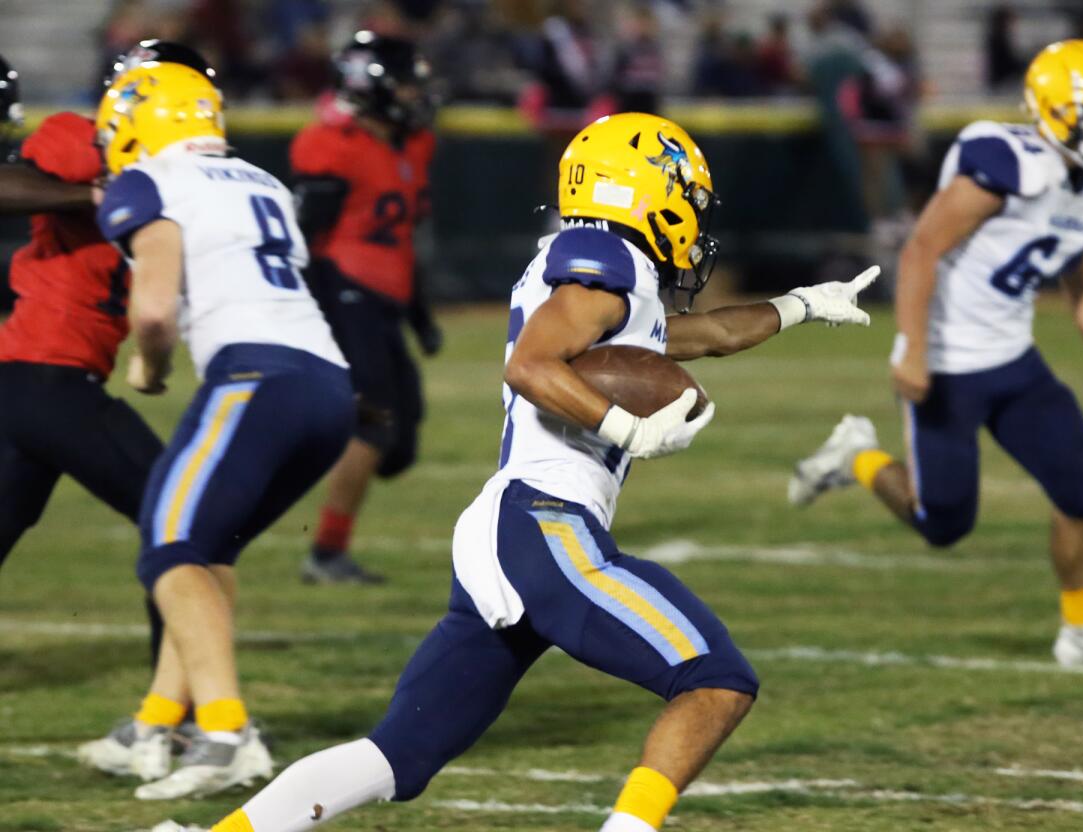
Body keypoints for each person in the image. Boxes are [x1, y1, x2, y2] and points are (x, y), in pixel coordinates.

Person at [149, 111, 878, 832]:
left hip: (514, 525)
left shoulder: (610, 278)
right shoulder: (605, 256)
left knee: (396, 754)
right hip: (544, 523)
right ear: (645, 190)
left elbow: (710, 334)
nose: (692, 212)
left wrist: (805, 304)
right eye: (684, 193)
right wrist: (626, 427)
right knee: (715, 679)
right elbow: (529, 365)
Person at [788, 41, 1083, 671]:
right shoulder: (1008, 162)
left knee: (1079, 487)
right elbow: (921, 248)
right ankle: (855, 456)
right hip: (948, 364)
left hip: (1013, 360)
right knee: (944, 523)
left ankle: (1082, 631)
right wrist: (913, 349)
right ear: (1055, 110)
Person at [92, 60, 354, 799]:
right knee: (207, 550)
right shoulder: (263, 181)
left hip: (256, 376)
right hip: (328, 385)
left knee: (170, 545)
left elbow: (152, 308)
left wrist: (148, 368)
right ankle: (151, 725)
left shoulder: (147, 183)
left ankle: (225, 733)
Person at [0, 43, 215, 779]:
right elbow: (10, 180)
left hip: (39, 382)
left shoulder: (178, 171)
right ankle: (178, 723)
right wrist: (97, 196)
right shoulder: (80, 136)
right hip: (44, 376)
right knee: (180, 524)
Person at [290, 31, 441, 584]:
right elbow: (302, 242)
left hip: (385, 300)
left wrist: (420, 315)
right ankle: (326, 553)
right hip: (342, 293)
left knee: (398, 445)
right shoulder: (333, 146)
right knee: (374, 424)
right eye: (404, 85)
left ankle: (314, 442)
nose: (413, 96)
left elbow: (405, 237)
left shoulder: (411, 145)